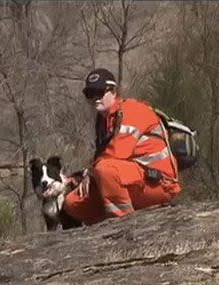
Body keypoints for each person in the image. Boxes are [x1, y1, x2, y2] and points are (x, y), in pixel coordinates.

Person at [63, 68, 181, 225]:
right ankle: (102, 227)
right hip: (128, 180)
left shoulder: (132, 111)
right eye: (90, 93)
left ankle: (123, 223)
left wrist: (91, 173)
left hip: (158, 183)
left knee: (105, 169)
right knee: (73, 202)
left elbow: (116, 154)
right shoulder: (103, 121)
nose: (95, 98)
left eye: (99, 92)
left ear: (113, 91)